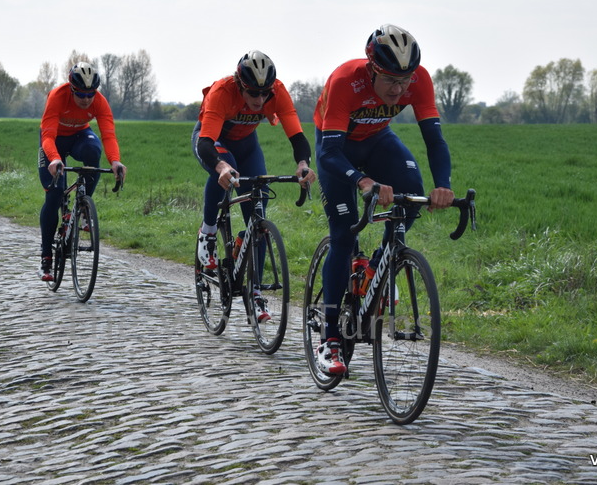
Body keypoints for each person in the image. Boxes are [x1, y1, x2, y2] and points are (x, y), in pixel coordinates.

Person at [313, 24, 454, 374]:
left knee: (412, 193)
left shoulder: (419, 80)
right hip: (338, 149)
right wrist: (362, 180)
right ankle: (330, 339)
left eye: (405, 80)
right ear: (372, 69)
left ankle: (380, 262)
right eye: (391, 80)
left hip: (378, 140)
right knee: (344, 235)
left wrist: (443, 186)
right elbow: (329, 152)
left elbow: (434, 141)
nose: (400, 89)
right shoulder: (346, 80)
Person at [192, 50, 316, 322]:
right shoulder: (222, 92)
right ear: (239, 84)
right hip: (214, 143)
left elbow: (297, 135)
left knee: (257, 213)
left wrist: (303, 164)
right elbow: (205, 142)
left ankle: (255, 290)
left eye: (265, 94)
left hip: (248, 146)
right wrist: (220, 166)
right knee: (226, 172)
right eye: (253, 93)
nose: (260, 100)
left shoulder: (278, 92)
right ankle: (209, 232)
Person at [37, 61, 126, 281]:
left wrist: (115, 161)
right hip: (54, 141)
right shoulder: (58, 97)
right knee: (55, 196)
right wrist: (55, 159)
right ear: (71, 88)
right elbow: (47, 136)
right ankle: (46, 257)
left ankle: (83, 206)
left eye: (90, 95)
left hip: (79, 137)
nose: (86, 100)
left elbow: (108, 135)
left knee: (92, 150)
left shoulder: (100, 102)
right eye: (81, 95)